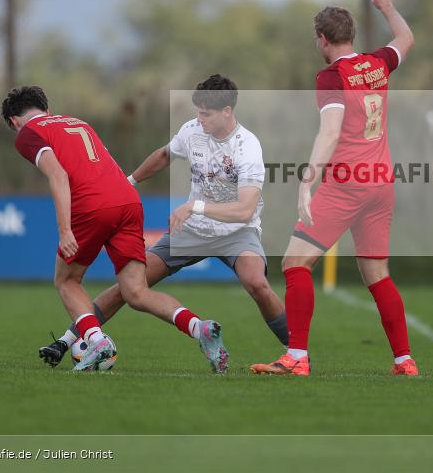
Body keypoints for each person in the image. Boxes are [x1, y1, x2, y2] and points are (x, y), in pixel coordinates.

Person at [38, 75, 288, 368]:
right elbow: (164, 155)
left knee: (257, 283)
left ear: (227, 112)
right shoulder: (192, 130)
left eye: (205, 114)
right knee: (131, 287)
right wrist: (128, 181)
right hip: (191, 232)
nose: (199, 119)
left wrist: (195, 206)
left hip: (236, 231)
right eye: (197, 112)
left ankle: (294, 351)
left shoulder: (248, 147)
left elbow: (245, 211)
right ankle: (68, 341)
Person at [250, 0, 417, 376]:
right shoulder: (377, 64)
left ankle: (297, 358)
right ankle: (404, 361)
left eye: (316, 38)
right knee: (377, 274)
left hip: (347, 185)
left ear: (323, 39)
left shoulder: (330, 77)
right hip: (382, 183)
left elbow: (330, 131)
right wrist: (387, 7)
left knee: (294, 264)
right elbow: (406, 39)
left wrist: (307, 181)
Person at [3, 86, 228, 373]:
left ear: (13, 121)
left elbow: (58, 176)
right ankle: (200, 328)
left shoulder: (27, 133)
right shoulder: (77, 122)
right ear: (45, 108)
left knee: (67, 280)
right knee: (135, 292)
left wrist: (64, 230)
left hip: (93, 203)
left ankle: (96, 341)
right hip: (128, 198)